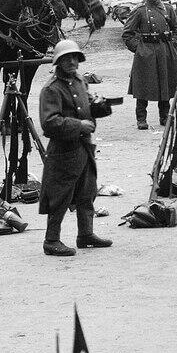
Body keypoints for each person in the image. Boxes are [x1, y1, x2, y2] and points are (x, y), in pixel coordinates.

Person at [37, 39, 112, 257]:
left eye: (74, 58)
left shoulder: (80, 81)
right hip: (63, 151)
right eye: (66, 59)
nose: (72, 62)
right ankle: (51, 240)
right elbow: (49, 123)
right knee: (59, 195)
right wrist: (78, 125)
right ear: (58, 63)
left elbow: (85, 107)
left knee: (87, 192)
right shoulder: (52, 89)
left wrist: (99, 107)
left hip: (83, 148)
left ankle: (86, 234)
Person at [122, 0, 177, 130]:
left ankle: (164, 115)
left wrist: (173, 43)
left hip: (165, 50)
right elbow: (127, 34)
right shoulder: (140, 11)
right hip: (146, 52)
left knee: (164, 83)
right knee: (143, 85)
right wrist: (139, 49)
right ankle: (141, 119)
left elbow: (176, 29)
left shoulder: (168, 9)